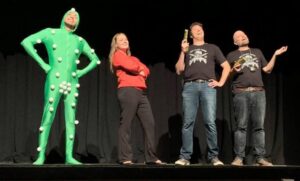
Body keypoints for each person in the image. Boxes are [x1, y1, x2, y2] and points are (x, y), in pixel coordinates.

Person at [21, 8, 100, 165]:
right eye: (69, 15)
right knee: (47, 116)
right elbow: (26, 42)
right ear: (63, 16)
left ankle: (69, 156)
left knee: (70, 119)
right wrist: (43, 64)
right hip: (54, 80)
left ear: (78, 23)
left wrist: (80, 72)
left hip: (72, 82)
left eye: (76, 16)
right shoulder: (51, 32)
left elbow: (95, 59)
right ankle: (41, 155)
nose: (72, 16)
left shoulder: (79, 40)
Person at [227, 30, 288, 166]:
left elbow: (267, 70)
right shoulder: (232, 55)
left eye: (244, 34)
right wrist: (233, 71)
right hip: (240, 93)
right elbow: (227, 76)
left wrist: (275, 55)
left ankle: (260, 158)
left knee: (259, 127)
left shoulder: (257, 52)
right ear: (235, 42)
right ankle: (239, 158)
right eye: (239, 36)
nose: (243, 36)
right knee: (241, 126)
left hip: (259, 92)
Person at [175, 22, 230, 165]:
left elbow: (226, 66)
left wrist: (221, 82)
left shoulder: (212, 48)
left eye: (200, 29)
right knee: (188, 122)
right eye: (195, 30)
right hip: (190, 87)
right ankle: (185, 157)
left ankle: (213, 157)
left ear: (203, 32)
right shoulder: (188, 49)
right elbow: (179, 69)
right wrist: (183, 51)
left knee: (210, 122)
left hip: (207, 87)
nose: (198, 31)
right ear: (191, 34)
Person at [109, 32, 164, 165]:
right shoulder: (117, 56)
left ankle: (151, 157)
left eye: (126, 39)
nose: (125, 41)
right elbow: (132, 67)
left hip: (141, 92)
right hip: (127, 91)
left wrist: (140, 69)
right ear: (116, 44)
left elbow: (146, 70)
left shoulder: (133, 58)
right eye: (121, 40)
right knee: (126, 123)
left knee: (149, 123)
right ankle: (125, 157)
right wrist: (138, 69)